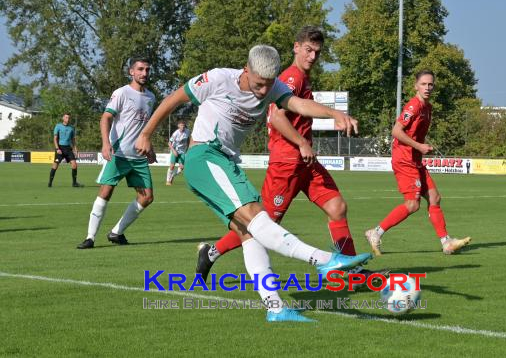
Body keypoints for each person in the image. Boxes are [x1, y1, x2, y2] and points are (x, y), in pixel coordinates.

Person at [135, 45, 372, 322]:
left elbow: (296, 104)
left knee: (250, 233)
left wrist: (333, 114)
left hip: (225, 162)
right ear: (246, 70)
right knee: (259, 220)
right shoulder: (217, 78)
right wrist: (146, 135)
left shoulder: (272, 87)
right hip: (204, 156)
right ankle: (324, 261)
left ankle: (275, 309)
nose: (263, 92)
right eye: (258, 85)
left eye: (268, 86)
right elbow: (172, 100)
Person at [196, 26, 388, 286]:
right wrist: (301, 143)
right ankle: (211, 252)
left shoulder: (302, 78)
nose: (312, 56)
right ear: (296, 47)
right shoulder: (290, 78)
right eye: (308, 50)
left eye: (317, 52)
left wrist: (330, 121)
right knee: (263, 224)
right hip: (286, 162)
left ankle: (351, 272)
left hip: (306, 162)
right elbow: (277, 117)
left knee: (337, 207)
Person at [365, 70, 471, 256]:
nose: (427, 87)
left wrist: (419, 149)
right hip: (405, 160)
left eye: (430, 84)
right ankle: (376, 232)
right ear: (416, 86)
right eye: (423, 84)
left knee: (434, 198)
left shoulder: (427, 107)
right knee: (412, 204)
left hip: (415, 159)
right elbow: (396, 131)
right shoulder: (413, 106)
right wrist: (419, 146)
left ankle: (446, 243)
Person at [77, 57, 156, 249]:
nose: (144, 73)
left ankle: (116, 232)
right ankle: (90, 237)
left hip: (138, 157)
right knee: (106, 191)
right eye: (140, 69)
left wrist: (150, 148)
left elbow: (145, 127)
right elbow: (106, 118)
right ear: (131, 72)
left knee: (147, 197)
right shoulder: (121, 92)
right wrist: (105, 143)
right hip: (119, 154)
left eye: (147, 70)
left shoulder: (151, 97)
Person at [49, 113, 82, 187]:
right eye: (66, 117)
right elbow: (55, 138)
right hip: (60, 148)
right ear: (63, 118)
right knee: (55, 165)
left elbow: (73, 140)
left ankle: (74, 183)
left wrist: (75, 149)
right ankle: (50, 183)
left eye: (69, 118)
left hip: (68, 149)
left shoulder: (71, 128)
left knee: (74, 165)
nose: (68, 119)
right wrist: (57, 149)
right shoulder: (58, 126)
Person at [166, 119, 191, 185]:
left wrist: (187, 148)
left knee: (181, 167)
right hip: (175, 150)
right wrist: (173, 151)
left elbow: (188, 139)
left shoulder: (187, 131)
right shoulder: (175, 133)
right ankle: (168, 180)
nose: (182, 127)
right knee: (172, 166)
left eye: (183, 125)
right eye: (181, 125)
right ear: (178, 126)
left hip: (182, 152)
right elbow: (169, 143)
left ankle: (172, 176)